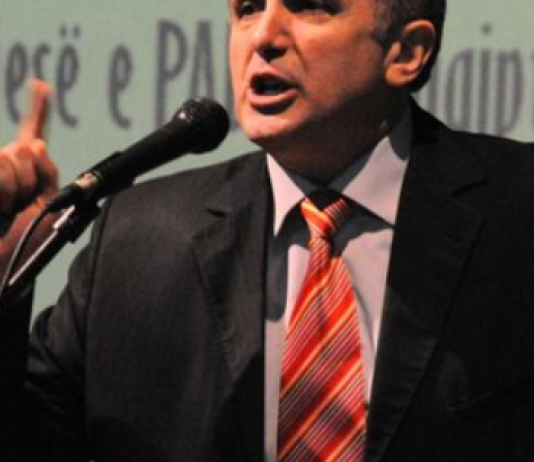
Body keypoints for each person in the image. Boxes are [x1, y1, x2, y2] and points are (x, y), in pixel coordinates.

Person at [2, 0, 534, 460]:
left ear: (406, 52)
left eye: (310, 6)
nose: (264, 37)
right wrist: (5, 270)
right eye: (248, 8)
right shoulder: (138, 239)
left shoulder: (517, 212)